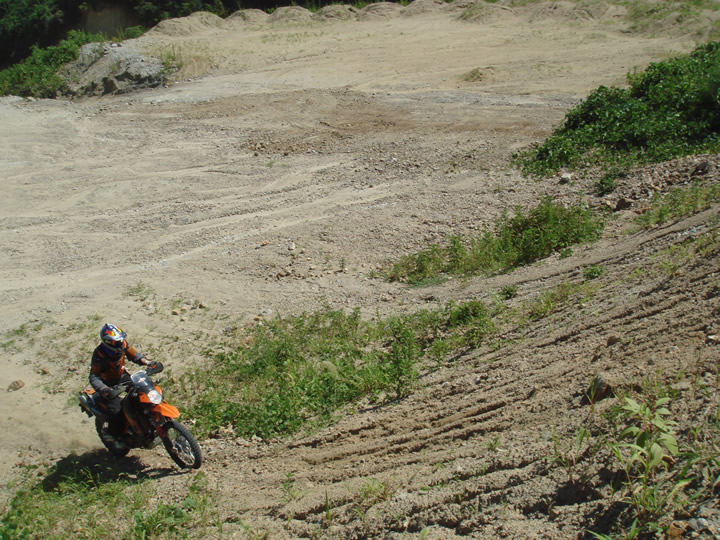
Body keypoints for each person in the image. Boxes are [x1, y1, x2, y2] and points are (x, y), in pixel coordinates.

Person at [90, 323, 157, 450]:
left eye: (120, 340)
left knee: (142, 393)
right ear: (108, 342)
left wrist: (148, 362)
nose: (120, 343)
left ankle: (146, 422)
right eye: (116, 342)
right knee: (116, 410)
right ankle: (115, 436)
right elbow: (93, 376)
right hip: (108, 385)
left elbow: (135, 356)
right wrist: (104, 389)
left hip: (122, 377)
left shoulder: (122, 345)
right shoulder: (99, 355)